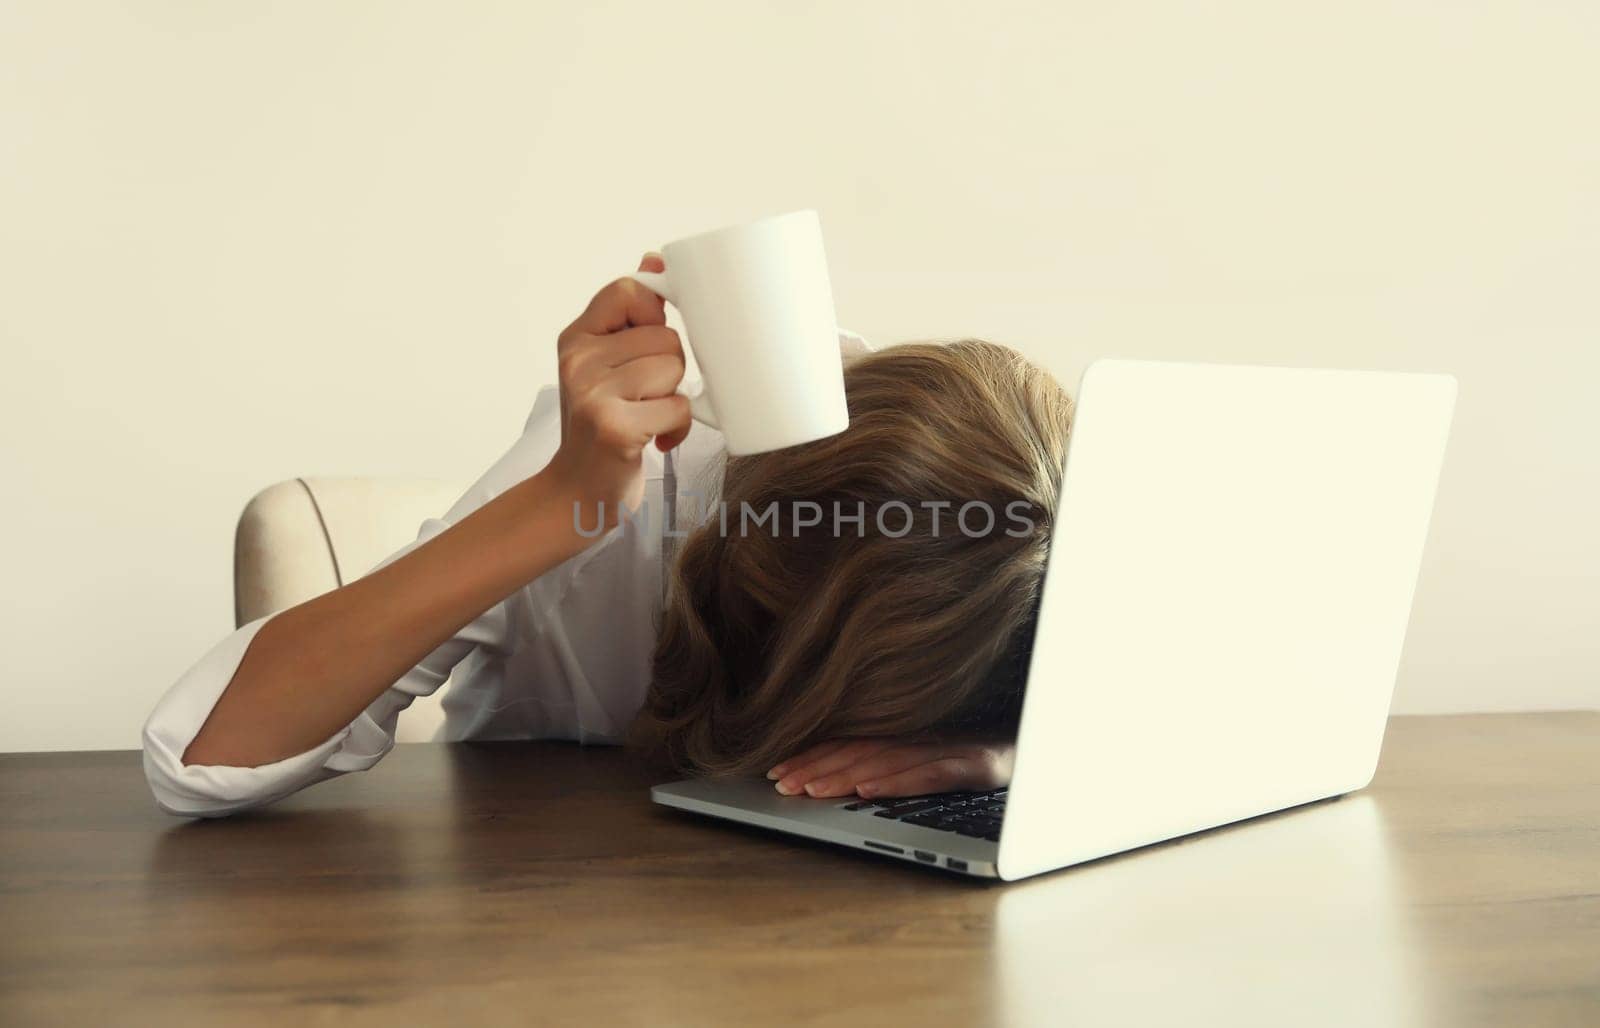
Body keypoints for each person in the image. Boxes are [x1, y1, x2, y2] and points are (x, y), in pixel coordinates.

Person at [142, 255, 1074, 817]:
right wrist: (555, 506)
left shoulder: (1033, 536)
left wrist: (1008, 756)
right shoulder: (645, 461)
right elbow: (198, 761)